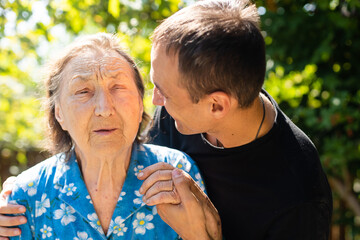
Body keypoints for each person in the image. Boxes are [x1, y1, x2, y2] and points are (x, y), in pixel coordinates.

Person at [0, 0, 332, 239]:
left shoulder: (298, 197)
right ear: (57, 110)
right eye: (84, 92)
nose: (155, 102)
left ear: (216, 107)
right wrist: (23, 191)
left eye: (164, 93)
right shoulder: (177, 112)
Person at [0, 33, 205, 239]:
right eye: (83, 91)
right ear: (59, 112)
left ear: (141, 103)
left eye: (117, 88)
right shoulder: (29, 194)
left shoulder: (177, 174)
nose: (104, 108)